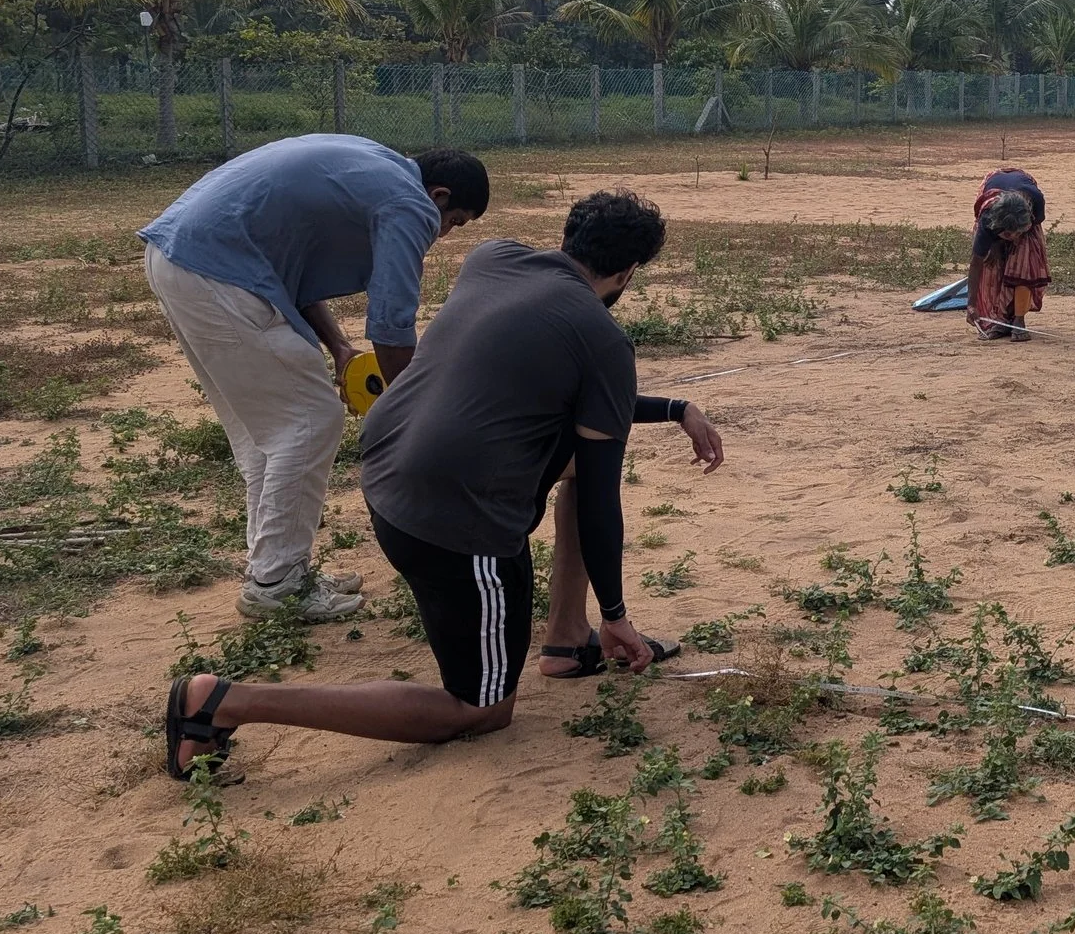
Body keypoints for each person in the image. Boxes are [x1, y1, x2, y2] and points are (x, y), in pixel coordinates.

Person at [160, 191, 721, 776]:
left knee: (573, 457)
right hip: (450, 523)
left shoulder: (493, 258)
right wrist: (617, 612)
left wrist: (674, 407)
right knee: (478, 709)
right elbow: (602, 498)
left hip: (386, 470)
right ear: (628, 272)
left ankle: (563, 641)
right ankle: (222, 702)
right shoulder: (602, 337)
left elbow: (548, 384)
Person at [141, 135, 487, 623]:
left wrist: (341, 349)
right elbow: (391, 323)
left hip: (182, 259)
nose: (444, 233)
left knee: (271, 435)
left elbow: (294, 277)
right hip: (217, 271)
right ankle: (276, 584)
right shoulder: (410, 202)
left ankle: (276, 571)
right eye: (454, 223)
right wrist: (414, 413)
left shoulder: (374, 168)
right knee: (308, 420)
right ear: (440, 196)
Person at [967, 167, 1049, 341]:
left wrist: (1016, 236)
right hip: (995, 193)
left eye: (1016, 234)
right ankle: (1000, 319)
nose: (1012, 238)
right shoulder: (988, 218)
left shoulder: (1035, 202)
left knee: (1024, 266)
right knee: (991, 264)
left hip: (1025, 203)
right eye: (1007, 235)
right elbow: (976, 262)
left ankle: (1019, 320)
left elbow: (1032, 226)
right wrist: (971, 304)